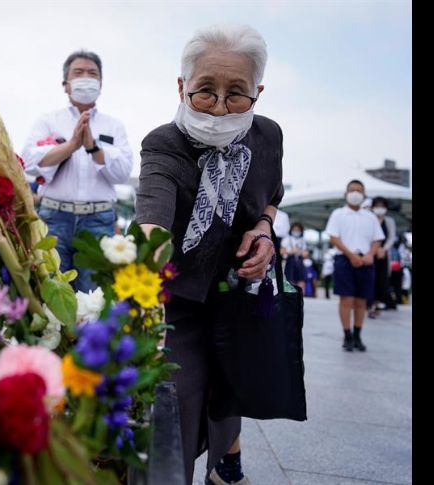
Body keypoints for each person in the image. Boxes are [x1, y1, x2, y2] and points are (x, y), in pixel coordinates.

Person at [136, 24, 282, 484]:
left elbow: (272, 195)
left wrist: (264, 229)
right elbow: (153, 218)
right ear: (181, 87)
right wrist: (144, 275)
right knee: (172, 399)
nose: (219, 107)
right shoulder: (164, 143)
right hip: (174, 295)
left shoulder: (267, 136)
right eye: (204, 91)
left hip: (235, 290)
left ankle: (226, 467)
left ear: (258, 92)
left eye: (236, 94)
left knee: (229, 385)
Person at [22, 50, 134, 293]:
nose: (86, 78)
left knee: (94, 295)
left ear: (101, 84)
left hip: (98, 221)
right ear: (65, 83)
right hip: (53, 218)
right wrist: (72, 145)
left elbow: (123, 172)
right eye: (79, 72)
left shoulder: (114, 126)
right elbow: (29, 162)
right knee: (51, 290)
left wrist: (93, 147)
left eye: (92, 74)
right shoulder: (48, 121)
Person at [324, 180, 384, 352]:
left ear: (364, 195)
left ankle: (358, 334)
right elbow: (334, 237)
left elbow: (377, 239)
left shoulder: (370, 217)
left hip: (366, 261)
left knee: (361, 300)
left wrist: (370, 255)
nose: (355, 193)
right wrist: (351, 255)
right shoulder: (338, 214)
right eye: (352, 190)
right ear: (346, 193)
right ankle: (347, 335)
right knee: (346, 299)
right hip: (344, 260)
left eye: (359, 190)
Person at [367, 197, 397, 316]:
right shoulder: (369, 219)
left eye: (382, 206)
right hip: (371, 253)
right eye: (377, 206)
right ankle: (370, 302)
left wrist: (383, 249)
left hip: (384, 254)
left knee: (383, 278)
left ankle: (382, 301)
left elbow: (391, 237)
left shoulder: (389, 221)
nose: (380, 209)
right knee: (371, 277)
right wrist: (374, 249)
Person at [280, 222, 307, 290]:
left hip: (299, 262)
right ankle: (290, 293)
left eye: (298, 230)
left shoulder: (302, 240)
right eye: (295, 230)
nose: (296, 231)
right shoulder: (287, 239)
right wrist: (292, 251)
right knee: (289, 280)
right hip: (290, 262)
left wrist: (300, 252)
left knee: (301, 281)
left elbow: (306, 253)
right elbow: (282, 252)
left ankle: (300, 294)